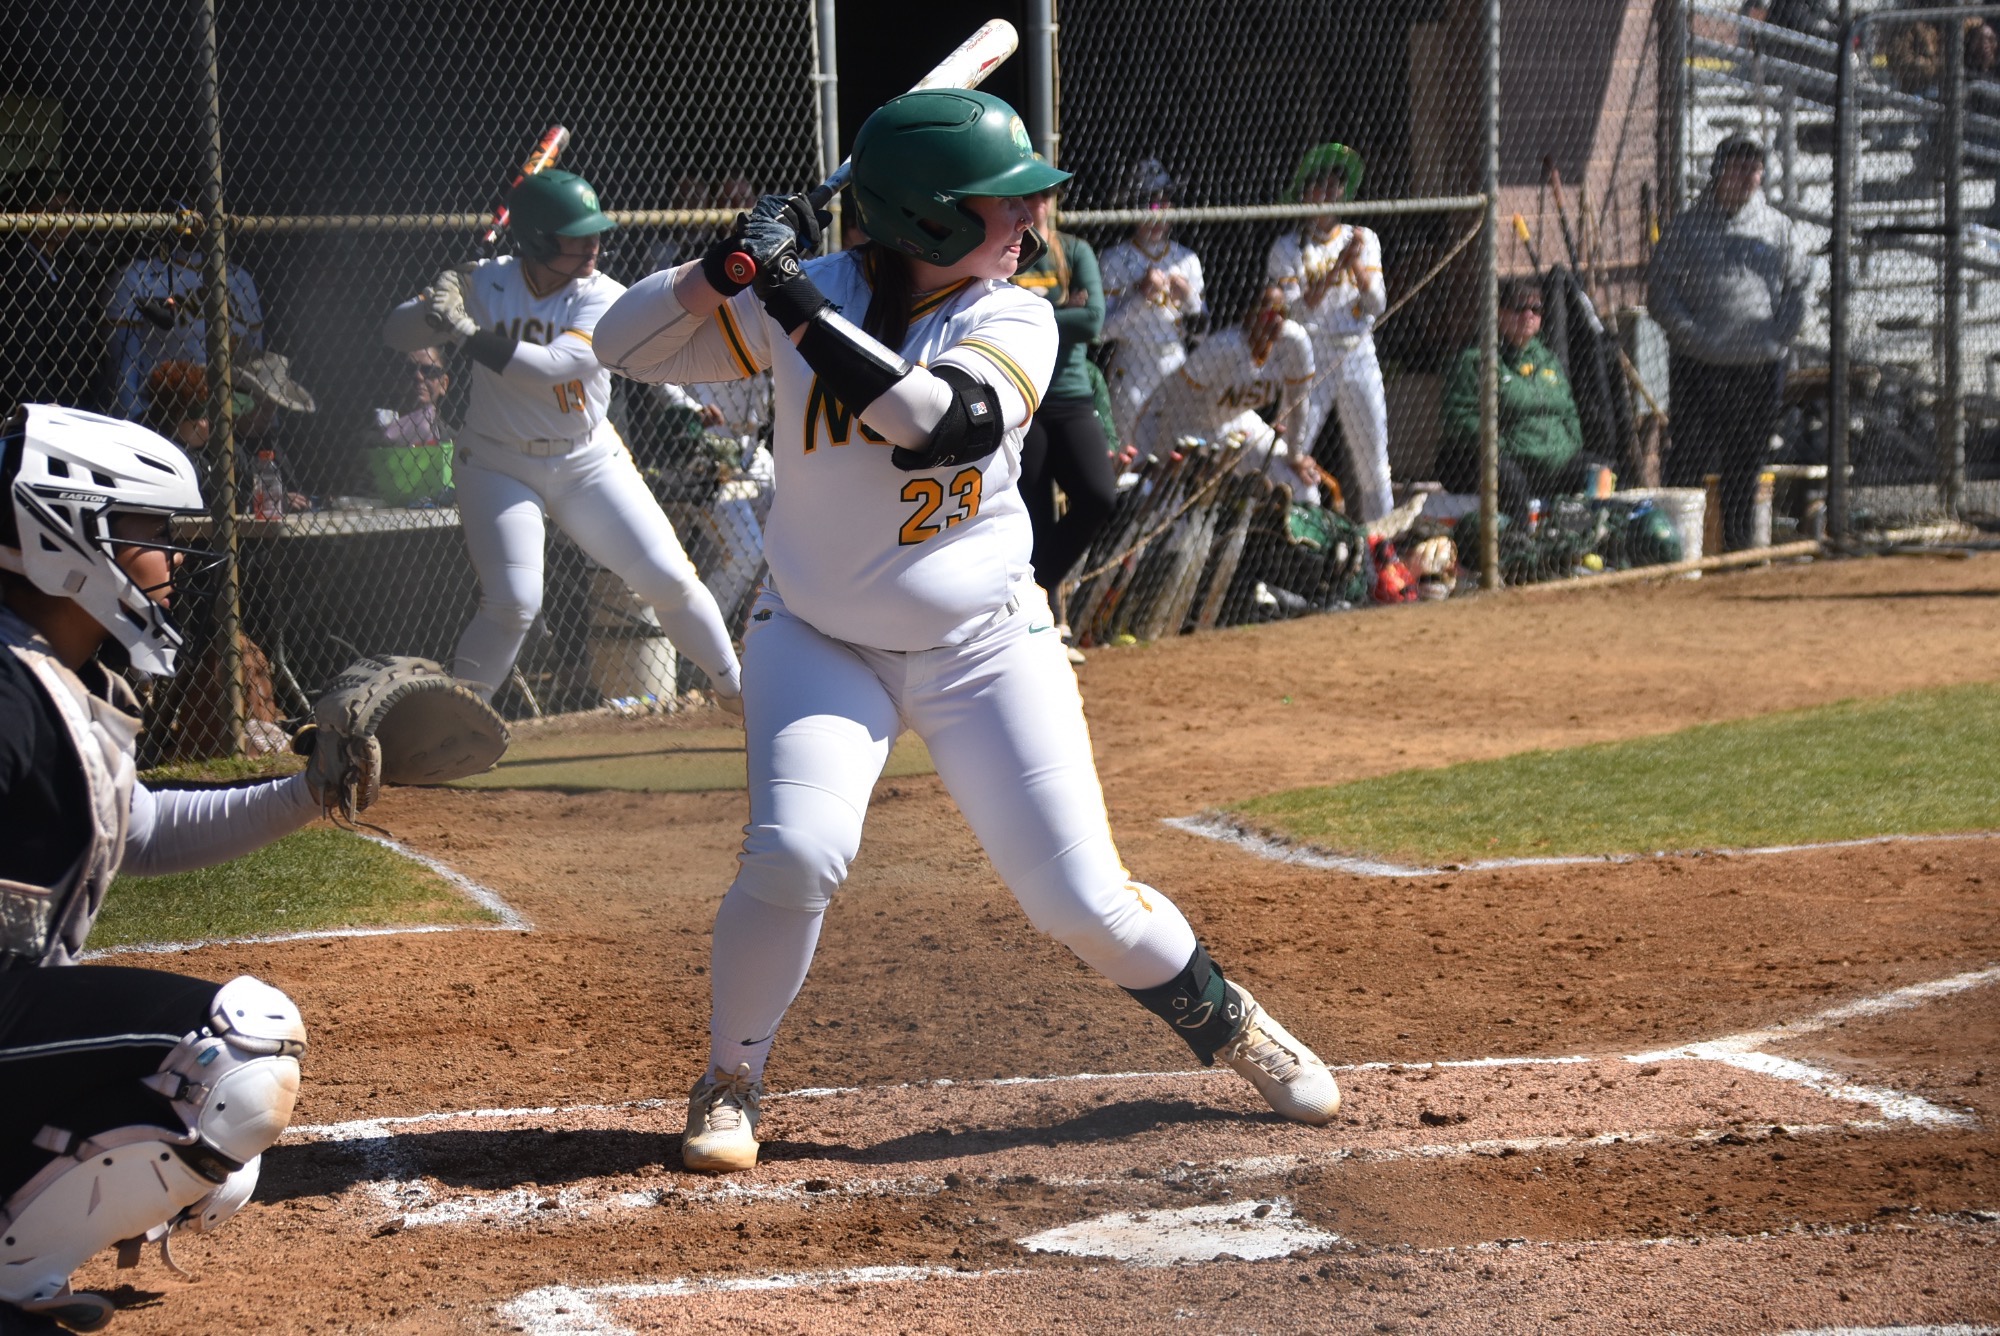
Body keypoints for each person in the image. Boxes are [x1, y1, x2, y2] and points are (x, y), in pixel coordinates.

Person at [596, 88, 1339, 1175]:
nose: (1029, 221)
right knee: (794, 852)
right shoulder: (811, 290)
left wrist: (787, 294)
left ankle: (1229, 1021)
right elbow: (621, 342)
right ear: (929, 218)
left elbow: (934, 424)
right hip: (819, 637)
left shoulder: (1012, 312)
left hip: (986, 644)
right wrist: (723, 268)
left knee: (1079, 899)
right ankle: (729, 1079)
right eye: (1003, 202)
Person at [0, 403, 318, 1333]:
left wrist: (317, 789)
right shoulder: (9, 688)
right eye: (146, 533)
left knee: (206, 1155)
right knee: (237, 1050)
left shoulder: (51, 673)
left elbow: (138, 827)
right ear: (65, 535)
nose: (170, 563)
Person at [381, 169, 742, 704]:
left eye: (594, 233)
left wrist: (462, 331)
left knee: (670, 580)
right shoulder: (485, 281)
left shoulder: (603, 295)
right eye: (577, 236)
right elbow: (393, 332)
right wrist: (433, 304)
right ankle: (459, 722)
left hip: (587, 460)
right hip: (497, 464)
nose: (593, 245)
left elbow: (550, 366)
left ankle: (738, 693)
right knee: (513, 602)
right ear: (538, 241)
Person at [1647, 134, 1810, 550]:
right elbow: (1660, 291)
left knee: (1746, 463)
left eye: (1755, 169)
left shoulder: (1777, 228)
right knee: (1689, 460)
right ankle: (1678, 549)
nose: (1748, 176)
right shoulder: (1686, 227)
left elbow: (1798, 286)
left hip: (1758, 367)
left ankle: (1739, 550)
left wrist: (1778, 336)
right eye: (1739, 167)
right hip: (1698, 366)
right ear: (1718, 172)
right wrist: (1692, 335)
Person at [1011, 177, 1116, 662]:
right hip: (1022, 398)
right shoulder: (1006, 252)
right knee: (1031, 514)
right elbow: (994, 319)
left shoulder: (1074, 251)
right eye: (1028, 195)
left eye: (1045, 195)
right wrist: (1059, 311)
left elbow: (1092, 322)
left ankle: (1032, 593)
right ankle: (1047, 625)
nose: (1038, 203)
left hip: (1070, 392)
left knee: (1098, 496)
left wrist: (1028, 312)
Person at [1265, 142, 1392, 521]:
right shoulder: (1287, 248)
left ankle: (1380, 544)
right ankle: (1288, 536)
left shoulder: (1363, 238)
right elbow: (1297, 310)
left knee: (1374, 461)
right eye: (1319, 185)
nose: (1329, 192)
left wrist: (1355, 266)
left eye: (1335, 183)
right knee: (1290, 451)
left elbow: (1377, 303)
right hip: (1310, 353)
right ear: (1304, 194)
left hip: (1356, 351)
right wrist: (1337, 267)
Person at [1133, 282, 1323, 505]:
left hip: (1234, 424)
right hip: (1183, 424)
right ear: (1248, 316)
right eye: (1268, 312)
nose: (1276, 320)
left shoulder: (1294, 342)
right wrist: (1163, 458)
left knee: (1304, 490)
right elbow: (1176, 402)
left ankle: (1267, 524)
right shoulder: (1222, 347)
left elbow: (1299, 403)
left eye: (1282, 312)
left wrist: (1294, 456)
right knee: (1159, 500)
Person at [1437, 276, 1607, 519]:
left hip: (1552, 462)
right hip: (1505, 461)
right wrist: (1506, 445)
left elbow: (1568, 412)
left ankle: (1589, 532)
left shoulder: (1547, 361)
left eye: (1536, 309)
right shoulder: (1476, 359)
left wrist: (1567, 446)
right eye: (1519, 308)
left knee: (1601, 472)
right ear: (1499, 313)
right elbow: (1459, 417)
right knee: (1508, 477)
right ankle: (1518, 537)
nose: (1528, 315)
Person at [105, 212, 265, 423]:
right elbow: (124, 379)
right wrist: (139, 427)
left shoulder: (239, 279)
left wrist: (261, 420)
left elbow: (256, 363)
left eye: (204, 210)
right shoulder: (137, 277)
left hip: (232, 408)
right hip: (165, 413)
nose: (199, 220)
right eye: (190, 210)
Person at [1098, 159, 1205, 453]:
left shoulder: (1187, 259)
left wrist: (1190, 300)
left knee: (1173, 452)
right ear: (1133, 207)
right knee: (1130, 454)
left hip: (1176, 361)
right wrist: (1139, 297)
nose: (1157, 213)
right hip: (1132, 365)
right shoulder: (1114, 258)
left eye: (1165, 203)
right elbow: (1101, 333)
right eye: (1149, 204)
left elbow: (1200, 335)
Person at [0, 186, 107, 415]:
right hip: (39, 409)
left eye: (68, 207)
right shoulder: (14, 269)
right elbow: (22, 358)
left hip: (74, 404)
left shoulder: (67, 269)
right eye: (52, 209)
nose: (63, 216)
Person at [370, 347, 452, 447]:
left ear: (443, 384)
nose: (419, 376)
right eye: (409, 369)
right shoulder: (367, 440)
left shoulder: (453, 441)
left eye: (430, 370)